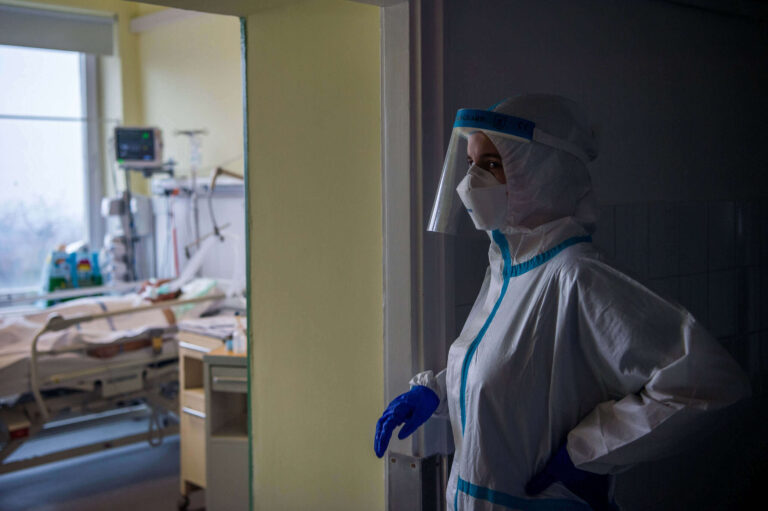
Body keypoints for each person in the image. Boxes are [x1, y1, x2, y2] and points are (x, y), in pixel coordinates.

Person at [373, 94, 751, 510]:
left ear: (541, 173)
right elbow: (510, 375)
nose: (471, 182)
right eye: (470, 163)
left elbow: (707, 382)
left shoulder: (577, 275)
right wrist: (437, 393)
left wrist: (585, 451)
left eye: (492, 164)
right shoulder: (507, 268)